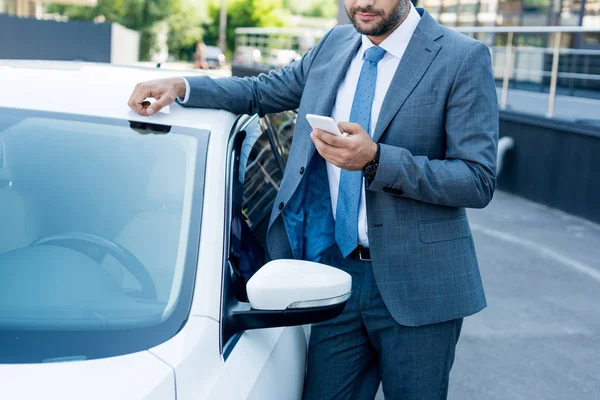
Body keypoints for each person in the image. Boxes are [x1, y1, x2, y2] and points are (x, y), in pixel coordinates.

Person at [127, 0, 499, 397]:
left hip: (421, 285)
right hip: (336, 274)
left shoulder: (462, 57)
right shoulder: (336, 43)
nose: (362, 3)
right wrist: (184, 86)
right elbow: (260, 92)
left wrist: (376, 161)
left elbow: (477, 179)